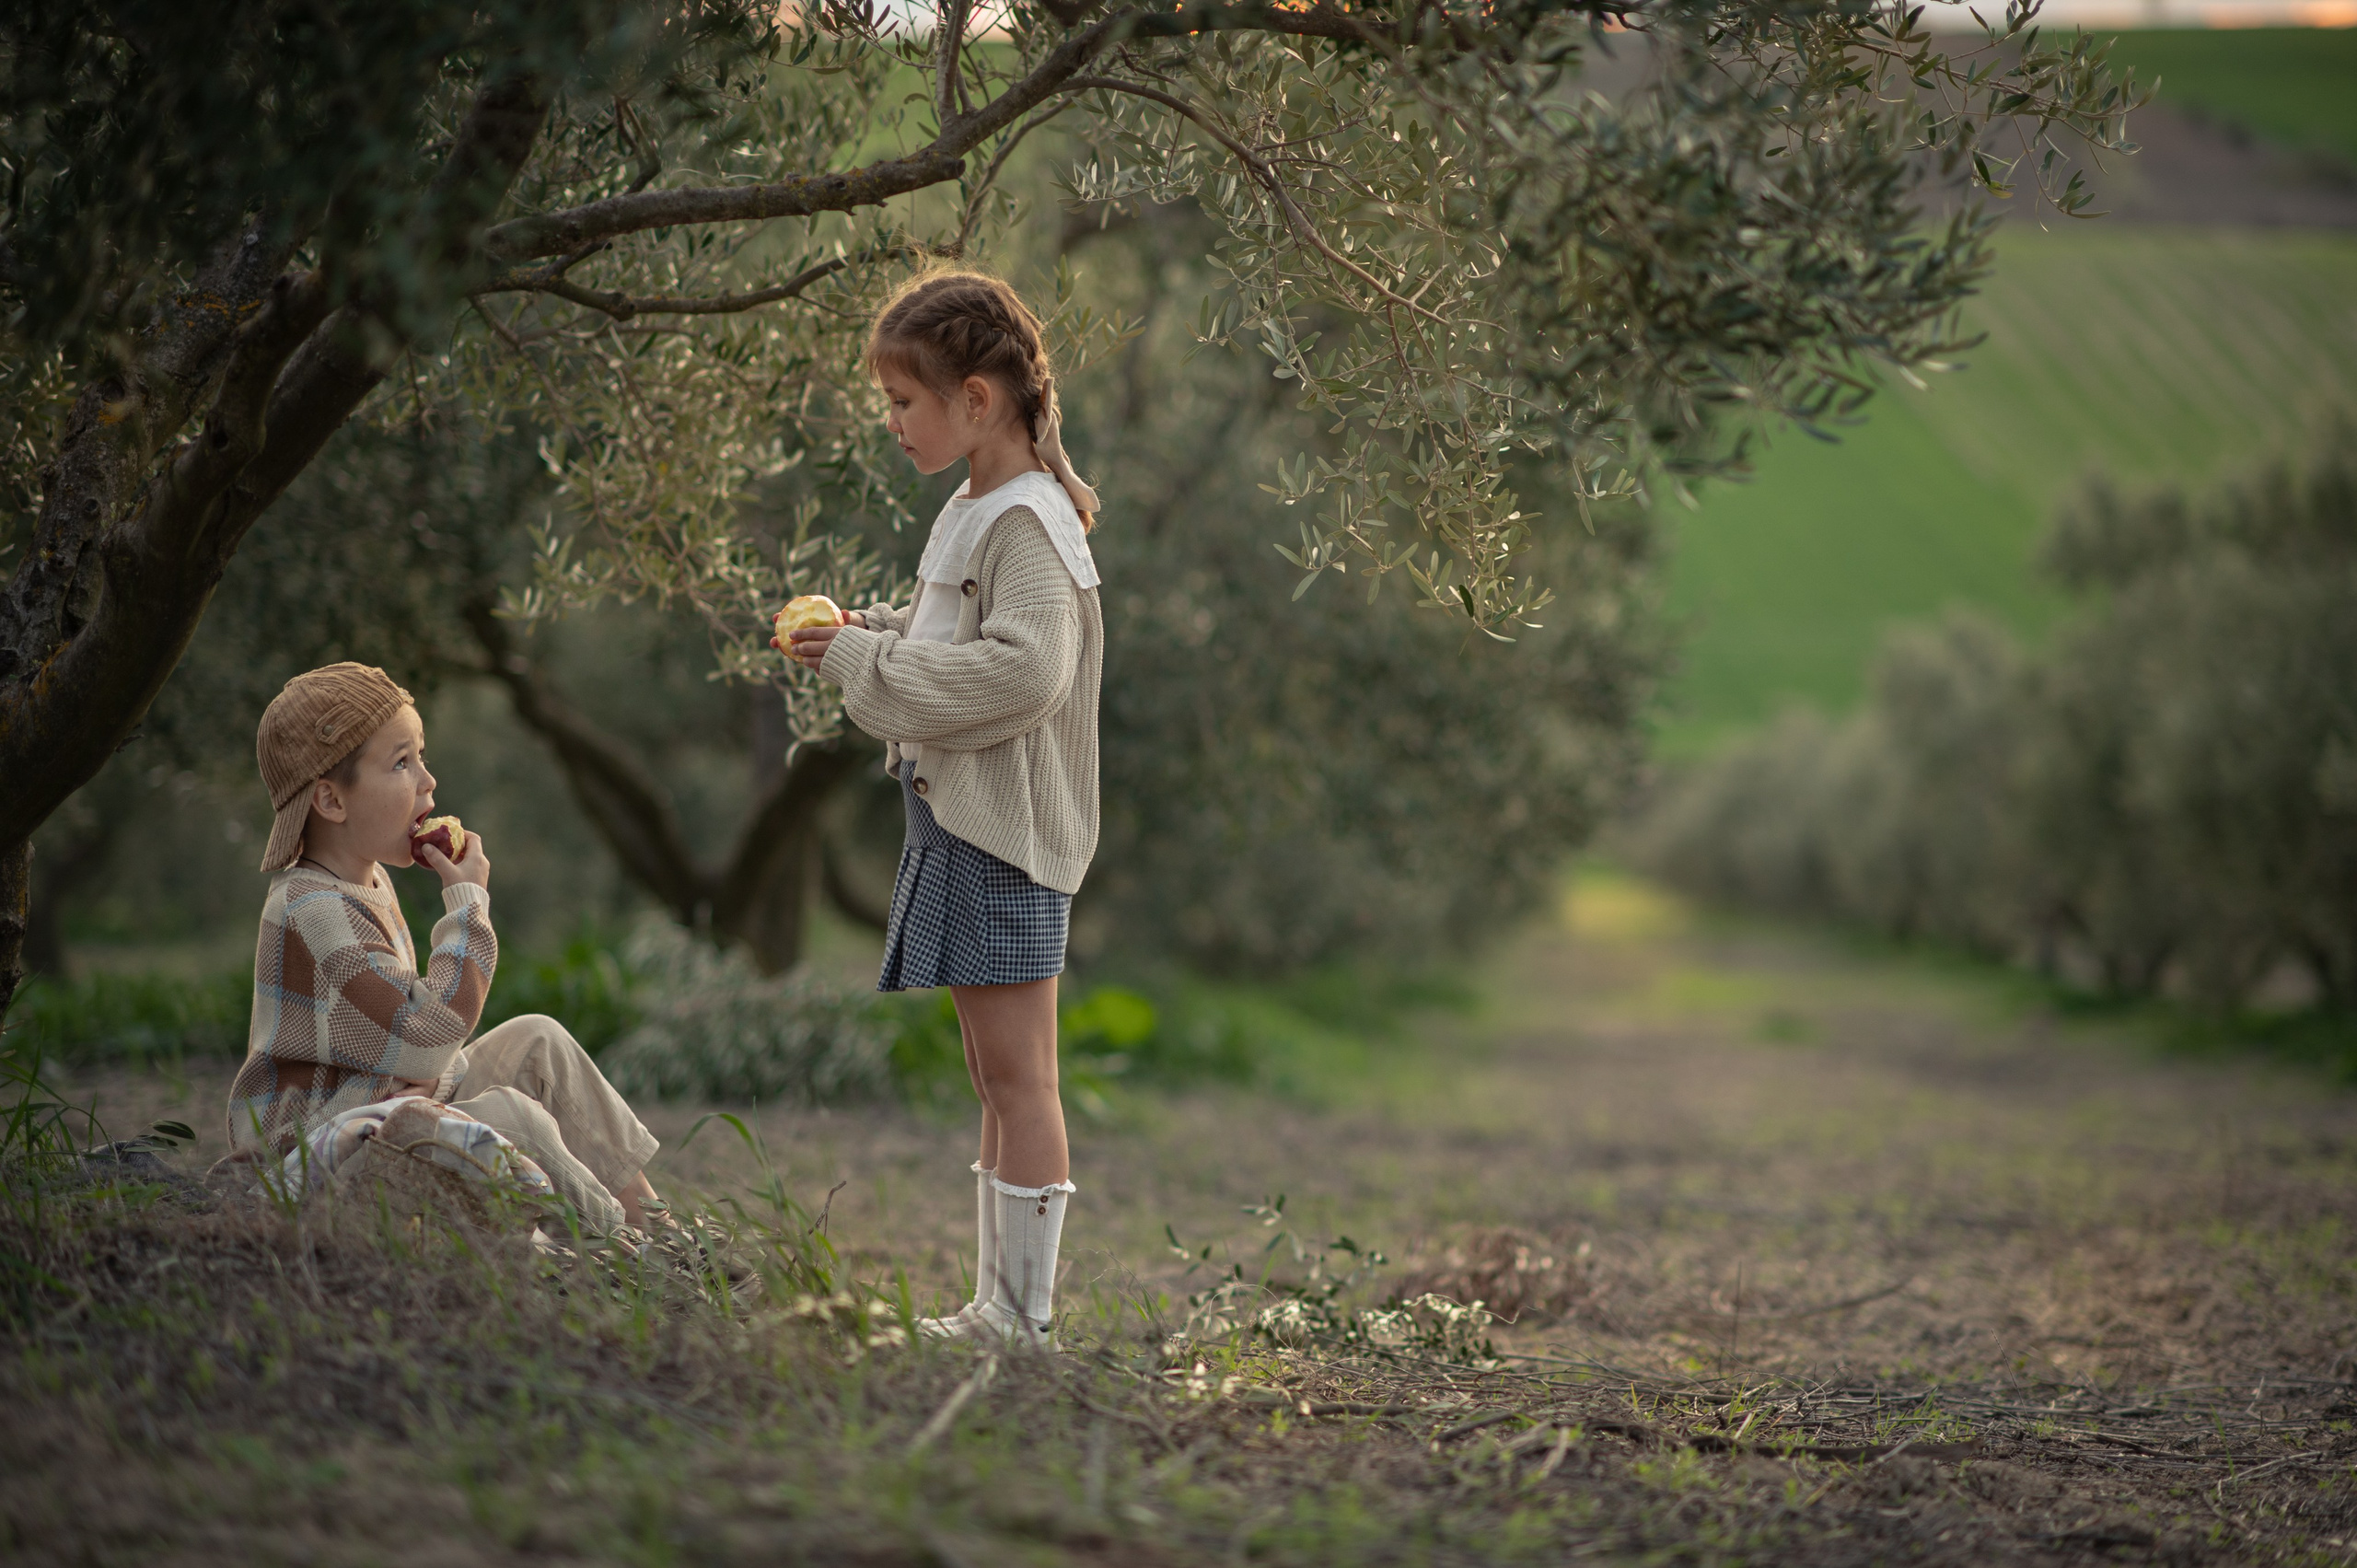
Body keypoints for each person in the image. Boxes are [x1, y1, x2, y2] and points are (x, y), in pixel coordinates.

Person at [783, 270, 1104, 1351]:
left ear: (976, 398)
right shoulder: (976, 506)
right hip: (959, 824)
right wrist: (864, 632)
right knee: (992, 1077)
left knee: (1021, 1077)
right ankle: (998, 1307)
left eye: (903, 401)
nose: (892, 422)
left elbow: (1025, 672)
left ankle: (1022, 1319)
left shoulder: (1028, 521)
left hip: (1004, 835)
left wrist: (865, 660)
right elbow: (953, 638)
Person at [226, 661, 669, 1237]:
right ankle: (627, 1253)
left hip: (380, 1114)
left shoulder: (366, 881)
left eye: (422, 756)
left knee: (539, 1039)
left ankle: (664, 1230)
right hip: (314, 1160)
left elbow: (413, 1048)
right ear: (331, 801)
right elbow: (426, 1038)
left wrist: (434, 1076)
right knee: (512, 1116)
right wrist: (467, 907)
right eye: (402, 763)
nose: (428, 782)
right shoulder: (316, 911)